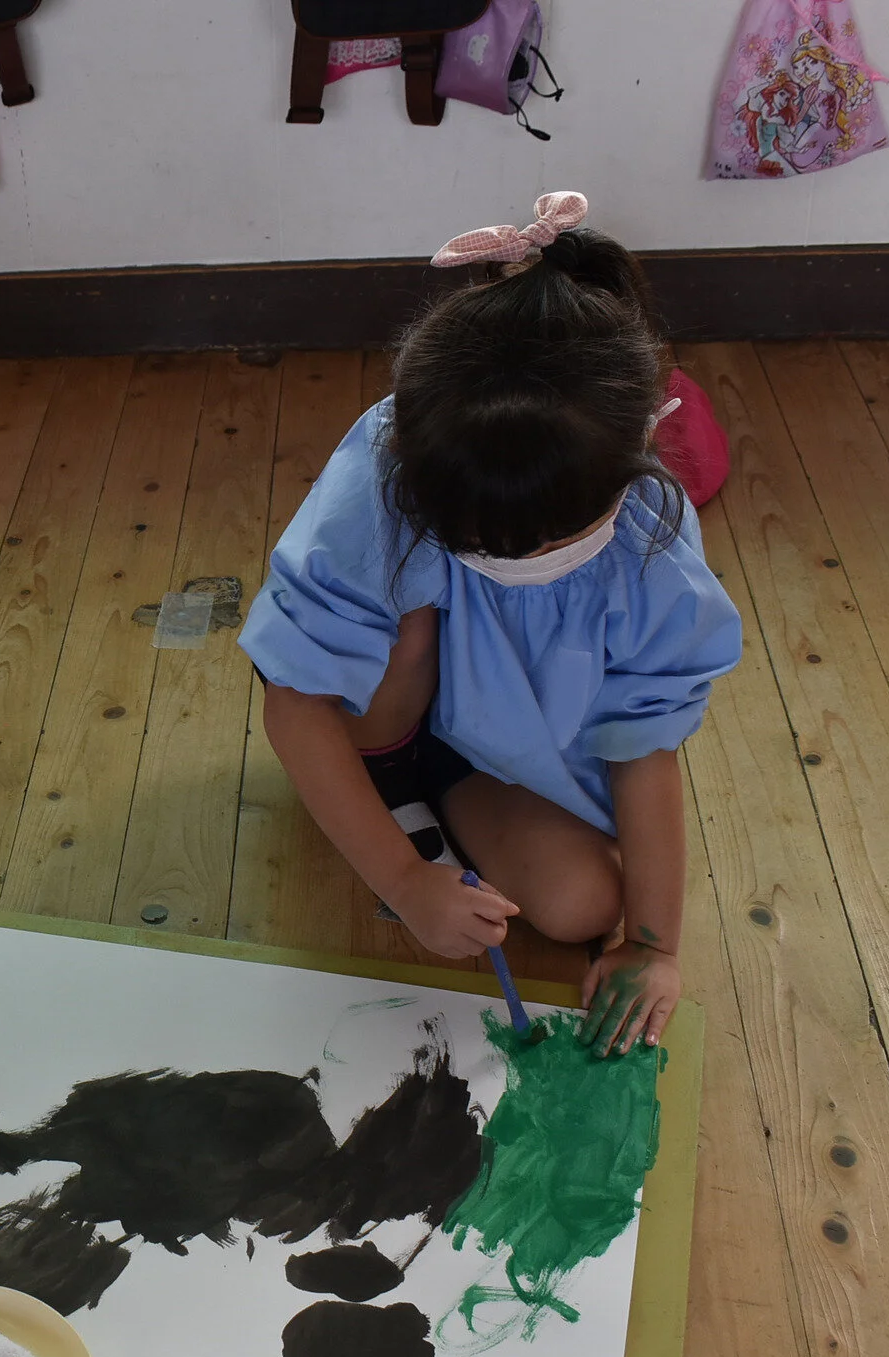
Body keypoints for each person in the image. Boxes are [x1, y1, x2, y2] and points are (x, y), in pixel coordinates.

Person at [241, 192, 742, 1056]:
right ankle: (387, 787)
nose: (514, 560)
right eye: (477, 543)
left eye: (549, 541)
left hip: (497, 754)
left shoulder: (650, 534)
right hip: (386, 719)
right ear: (409, 462)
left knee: (585, 906)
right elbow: (294, 700)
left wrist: (655, 946)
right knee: (409, 621)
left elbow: (646, 741)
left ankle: (433, 797)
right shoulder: (386, 472)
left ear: (632, 467)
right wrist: (404, 880)